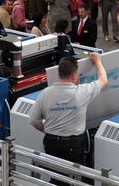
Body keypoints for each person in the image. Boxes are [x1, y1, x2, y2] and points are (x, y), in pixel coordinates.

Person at [29, 54, 108, 185]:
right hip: (72, 145)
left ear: (59, 73)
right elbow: (103, 80)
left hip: (50, 143)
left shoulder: (45, 93)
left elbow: (34, 120)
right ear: (74, 75)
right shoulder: (82, 92)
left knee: (56, 176)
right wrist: (97, 61)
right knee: (71, 179)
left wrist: (49, 130)